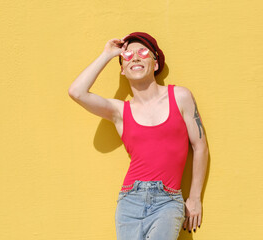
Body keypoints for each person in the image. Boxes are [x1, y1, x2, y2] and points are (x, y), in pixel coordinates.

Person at [68, 32, 209, 240]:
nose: (135, 57)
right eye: (127, 55)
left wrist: (195, 198)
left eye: (143, 52)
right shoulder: (120, 112)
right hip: (130, 201)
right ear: (123, 71)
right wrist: (107, 54)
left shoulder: (180, 97)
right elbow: (77, 92)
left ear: (156, 63)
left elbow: (200, 147)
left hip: (168, 201)